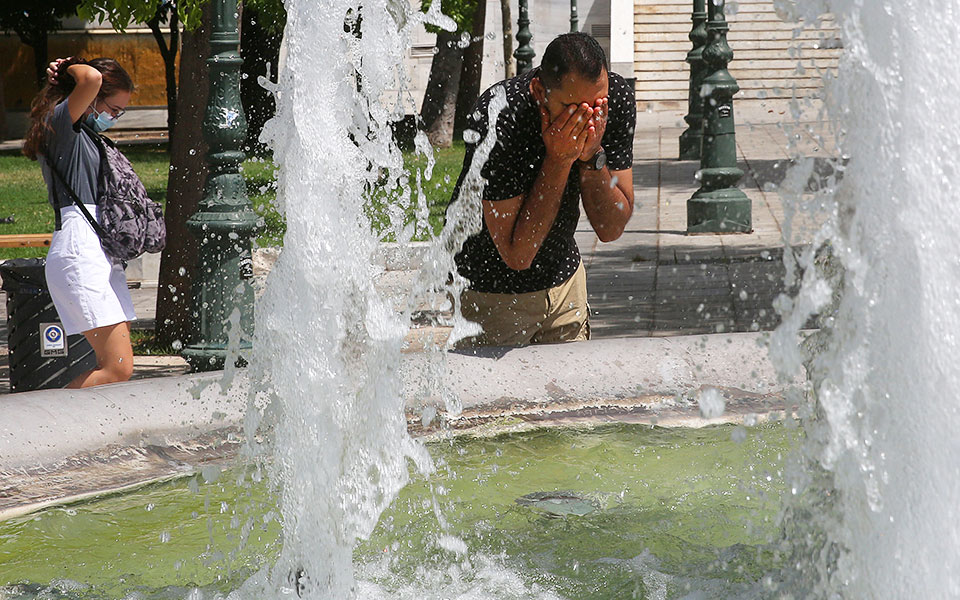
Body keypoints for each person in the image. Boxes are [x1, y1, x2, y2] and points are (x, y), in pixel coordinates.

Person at [451, 33, 636, 347]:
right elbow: (517, 254)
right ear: (539, 91)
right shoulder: (500, 116)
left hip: (565, 287)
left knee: (577, 394)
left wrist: (592, 156)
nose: (588, 120)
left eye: (596, 106)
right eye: (573, 108)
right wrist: (560, 159)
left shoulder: (615, 99)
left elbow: (611, 227)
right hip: (492, 295)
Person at [22, 56, 137, 387]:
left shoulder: (83, 133)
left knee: (117, 367)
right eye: (112, 110)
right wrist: (68, 65)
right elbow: (89, 78)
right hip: (79, 249)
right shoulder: (62, 127)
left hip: (99, 250)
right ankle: (48, 427)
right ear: (90, 99)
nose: (113, 118)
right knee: (117, 368)